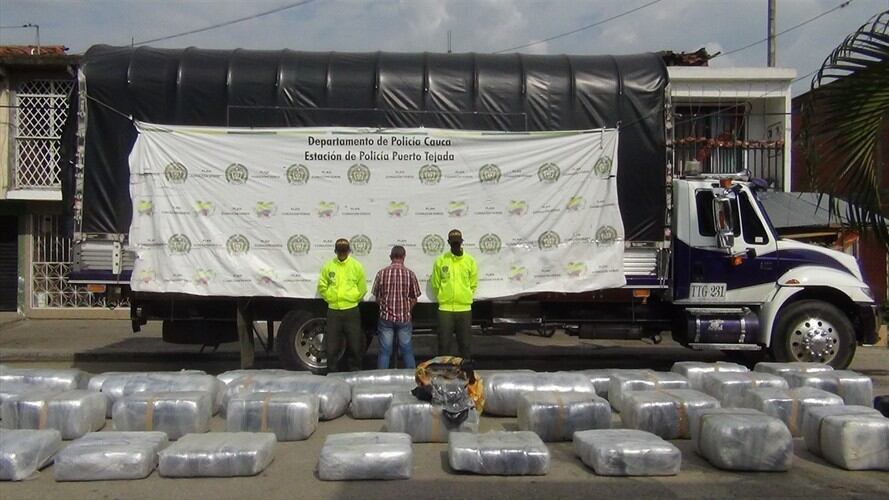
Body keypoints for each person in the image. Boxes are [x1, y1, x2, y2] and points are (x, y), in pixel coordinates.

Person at [317, 238, 367, 372]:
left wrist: (353, 299)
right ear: (335, 251)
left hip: (351, 311)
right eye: (340, 251)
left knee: (355, 344)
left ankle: (355, 370)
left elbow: (362, 288)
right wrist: (330, 298)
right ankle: (333, 372)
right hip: (334, 311)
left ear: (349, 251)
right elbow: (322, 286)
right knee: (332, 346)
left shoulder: (356, 266)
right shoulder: (329, 266)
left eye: (344, 251)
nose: (342, 254)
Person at [371, 245, 421, 369]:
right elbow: (415, 298)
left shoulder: (381, 273)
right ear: (404, 257)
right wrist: (407, 309)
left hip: (386, 318)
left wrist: (384, 307)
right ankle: (411, 378)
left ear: (390, 257)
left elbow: (377, 297)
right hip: (404, 318)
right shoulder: (410, 274)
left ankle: (382, 379)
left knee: (384, 352)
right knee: (407, 351)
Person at [430, 229, 478, 359]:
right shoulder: (441, 261)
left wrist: (464, 296)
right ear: (448, 243)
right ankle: (443, 374)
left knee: (465, 345)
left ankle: (466, 375)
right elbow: (435, 284)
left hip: (464, 309)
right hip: (445, 310)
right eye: (453, 243)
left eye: (457, 243)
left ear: (462, 242)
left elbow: (473, 284)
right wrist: (443, 297)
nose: (455, 245)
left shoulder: (470, 261)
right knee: (444, 345)